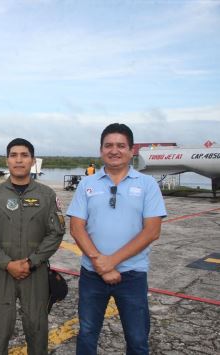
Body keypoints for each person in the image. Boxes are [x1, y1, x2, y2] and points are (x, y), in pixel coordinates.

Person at [66, 123, 167, 355]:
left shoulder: (147, 185)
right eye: (108, 145)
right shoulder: (87, 184)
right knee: (88, 334)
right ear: (101, 150)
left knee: (138, 338)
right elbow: (77, 227)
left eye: (121, 145)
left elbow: (152, 231)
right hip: (92, 275)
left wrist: (110, 262)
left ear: (132, 150)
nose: (114, 150)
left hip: (133, 275)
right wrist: (98, 262)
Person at [0, 138, 65, 355]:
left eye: (24, 155)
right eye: (14, 155)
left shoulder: (46, 195)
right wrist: (7, 264)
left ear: (32, 161)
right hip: (1, 272)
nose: (19, 160)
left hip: (35, 272)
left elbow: (56, 232)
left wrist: (32, 262)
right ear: (7, 160)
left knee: (37, 330)